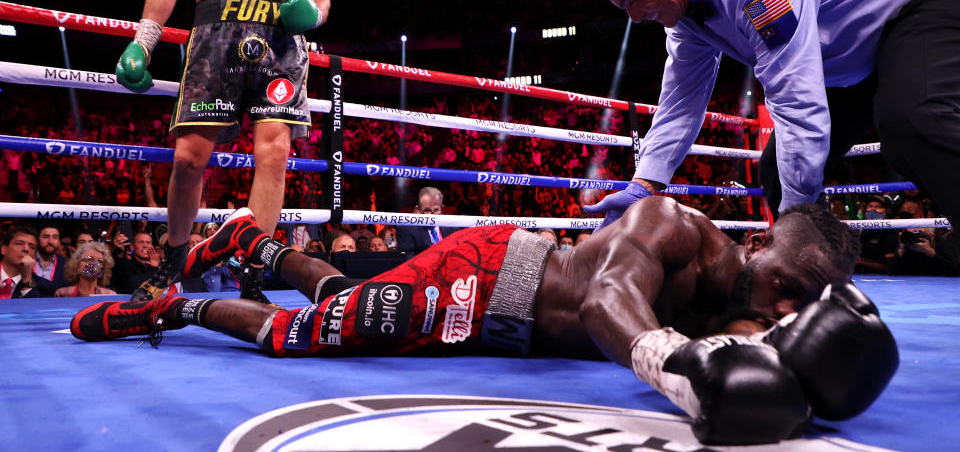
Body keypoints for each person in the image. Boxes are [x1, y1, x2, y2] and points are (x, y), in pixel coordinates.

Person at [72, 199, 897, 445]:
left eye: (802, 305)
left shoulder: (759, 309)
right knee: (301, 334)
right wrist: (673, 362)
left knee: (339, 308)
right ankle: (173, 306)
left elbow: (761, 379)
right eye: (786, 285)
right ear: (762, 246)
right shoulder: (670, 227)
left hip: (509, 332)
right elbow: (610, 303)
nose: (782, 310)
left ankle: (254, 244)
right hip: (490, 275)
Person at [587, 0, 960, 232]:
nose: (633, 18)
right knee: (780, 178)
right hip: (850, 59)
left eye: (631, 2)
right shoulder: (684, 14)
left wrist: (789, 229)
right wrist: (644, 185)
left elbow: (796, 99)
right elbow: (681, 102)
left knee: (914, 120)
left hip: (919, 2)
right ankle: (819, 287)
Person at [113, 0, 330, 303]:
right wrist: (143, 41)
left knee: (274, 155)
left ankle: (253, 275)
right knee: (190, 159)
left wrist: (310, 13)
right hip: (217, 32)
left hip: (281, 42)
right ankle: (172, 263)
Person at [396, 187, 455, 257]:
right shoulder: (407, 229)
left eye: (436, 210)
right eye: (427, 210)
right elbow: (407, 261)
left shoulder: (452, 227)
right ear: (419, 209)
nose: (432, 214)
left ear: (442, 208)